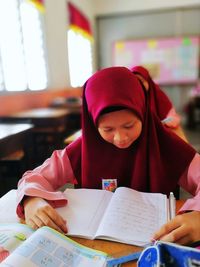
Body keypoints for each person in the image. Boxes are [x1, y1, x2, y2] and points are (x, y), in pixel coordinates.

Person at [16, 67, 200, 246]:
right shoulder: (81, 151)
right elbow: (35, 177)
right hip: (96, 246)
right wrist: (31, 200)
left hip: (155, 244)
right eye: (108, 129)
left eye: (129, 126)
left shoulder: (166, 145)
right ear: (92, 123)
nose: (120, 138)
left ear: (143, 112)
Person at [131, 65, 188, 142]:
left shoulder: (158, 94)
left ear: (148, 81)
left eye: (141, 80)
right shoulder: (129, 97)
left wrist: (160, 123)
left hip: (159, 135)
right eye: (135, 81)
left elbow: (172, 117)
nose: (139, 84)